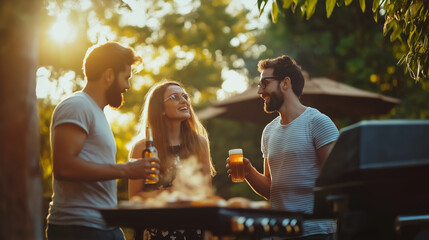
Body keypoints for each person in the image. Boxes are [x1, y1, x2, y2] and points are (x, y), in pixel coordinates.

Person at [46, 42, 161, 240]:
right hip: (79, 228)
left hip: (103, 226)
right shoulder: (77, 106)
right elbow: (64, 167)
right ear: (109, 75)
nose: (127, 86)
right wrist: (126, 170)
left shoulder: (95, 111)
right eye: (126, 78)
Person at [227, 55, 339, 240]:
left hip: (315, 231)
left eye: (265, 83)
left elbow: (337, 181)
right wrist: (248, 172)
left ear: (285, 83)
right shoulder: (269, 131)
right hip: (280, 233)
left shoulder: (317, 122)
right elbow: (271, 189)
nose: (260, 91)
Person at [129, 80, 216, 240]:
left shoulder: (200, 143)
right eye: (175, 97)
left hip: (194, 231)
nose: (184, 101)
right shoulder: (142, 148)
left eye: (185, 96)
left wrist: (208, 233)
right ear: (160, 109)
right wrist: (170, 192)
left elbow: (206, 193)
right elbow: (134, 198)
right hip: (156, 232)